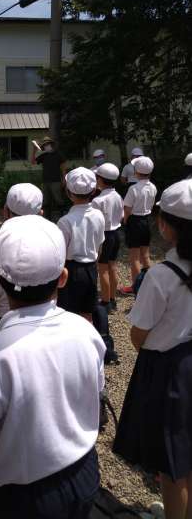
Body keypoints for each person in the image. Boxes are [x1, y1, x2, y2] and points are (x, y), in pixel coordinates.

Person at [0, 215, 106, 519]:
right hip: (85, 472)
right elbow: (93, 394)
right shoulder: (86, 332)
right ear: (63, 277)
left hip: (24, 496)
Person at [113, 180, 192, 519]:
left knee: (171, 462)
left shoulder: (161, 275)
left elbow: (139, 334)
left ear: (165, 226)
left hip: (167, 369)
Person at [0, 183, 43, 340]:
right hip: (42, 317)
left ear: (5, 212)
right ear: (41, 213)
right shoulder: (52, 246)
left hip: (6, 318)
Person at [57, 167, 105, 322]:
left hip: (71, 270)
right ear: (93, 191)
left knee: (67, 313)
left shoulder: (65, 221)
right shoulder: (99, 215)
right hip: (91, 267)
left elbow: (60, 253)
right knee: (87, 312)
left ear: (68, 192)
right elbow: (100, 245)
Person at [120, 156, 157, 295]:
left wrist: (125, 221)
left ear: (136, 172)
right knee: (145, 255)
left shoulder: (133, 188)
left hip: (134, 221)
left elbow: (127, 209)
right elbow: (151, 206)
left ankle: (136, 287)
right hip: (146, 220)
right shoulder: (153, 187)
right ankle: (150, 284)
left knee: (134, 256)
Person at [92, 163, 124, 313]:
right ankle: (113, 299)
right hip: (116, 233)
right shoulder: (118, 196)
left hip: (105, 236)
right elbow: (122, 215)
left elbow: (95, 222)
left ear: (100, 179)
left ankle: (105, 302)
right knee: (112, 266)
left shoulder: (97, 201)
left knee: (102, 268)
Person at [32, 136, 66, 221]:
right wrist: (34, 151)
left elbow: (63, 167)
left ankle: (62, 217)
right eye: (44, 145)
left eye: (47, 144)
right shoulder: (43, 155)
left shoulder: (58, 154)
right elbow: (33, 162)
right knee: (46, 201)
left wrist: (64, 178)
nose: (46, 146)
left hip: (56, 181)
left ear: (51, 144)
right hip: (45, 181)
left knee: (58, 200)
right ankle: (47, 218)